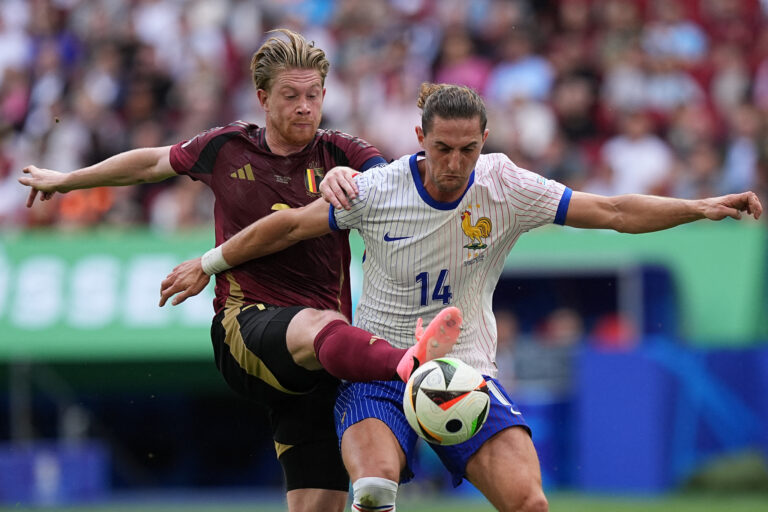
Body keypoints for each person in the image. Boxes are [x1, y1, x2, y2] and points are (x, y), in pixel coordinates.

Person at [158, 83, 762, 512]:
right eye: (441, 148)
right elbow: (288, 226)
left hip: (465, 374)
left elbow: (610, 210)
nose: (453, 163)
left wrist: (699, 207)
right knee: (372, 492)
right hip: (380, 371)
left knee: (529, 500)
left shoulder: (507, 185)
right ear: (419, 137)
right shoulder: (377, 189)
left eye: (467, 149)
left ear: (485, 140)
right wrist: (207, 264)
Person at [17, 30, 463, 512]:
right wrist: (66, 181)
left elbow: (399, 187)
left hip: (321, 360)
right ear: (263, 97)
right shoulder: (226, 147)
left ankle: (398, 371)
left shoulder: (342, 153)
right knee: (323, 324)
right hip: (246, 327)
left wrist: (375, 174)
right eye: (290, 96)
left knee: (319, 504)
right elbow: (150, 164)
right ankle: (411, 365)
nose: (304, 107)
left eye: (313, 95)